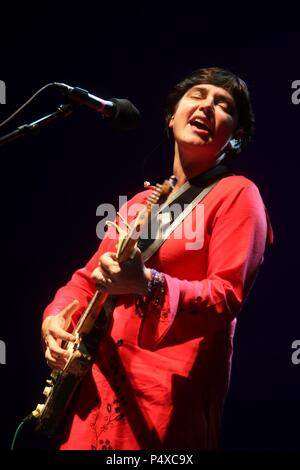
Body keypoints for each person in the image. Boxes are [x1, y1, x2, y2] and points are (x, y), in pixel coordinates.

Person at [41, 67, 273, 450]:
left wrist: (148, 283)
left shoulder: (237, 194)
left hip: (164, 400)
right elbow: (86, 280)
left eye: (223, 105)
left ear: (235, 137)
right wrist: (54, 320)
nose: (207, 106)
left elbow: (227, 295)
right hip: (96, 393)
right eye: (197, 96)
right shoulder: (138, 205)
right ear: (171, 117)